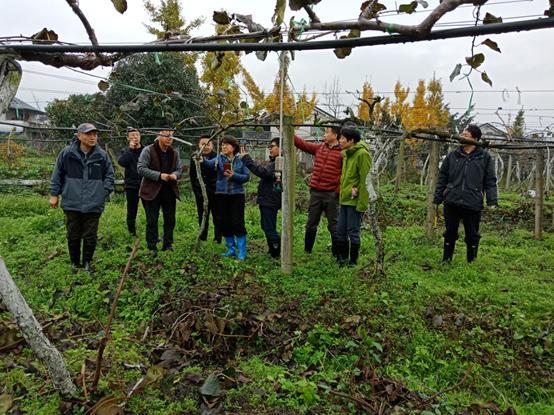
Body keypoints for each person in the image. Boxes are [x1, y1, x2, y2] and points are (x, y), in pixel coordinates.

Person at [50, 123, 115, 272]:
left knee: (90, 235)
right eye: (88, 134)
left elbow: (109, 176)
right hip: (72, 201)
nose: (93, 137)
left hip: (94, 202)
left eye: (94, 134)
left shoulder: (102, 155)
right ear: (79, 136)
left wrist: (102, 192)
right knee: (73, 234)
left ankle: (87, 263)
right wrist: (54, 194)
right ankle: (74, 263)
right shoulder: (67, 153)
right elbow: (57, 174)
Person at [433, 124, 498, 263]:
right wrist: (438, 196)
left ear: (475, 139)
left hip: (473, 202)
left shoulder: (484, 157)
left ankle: (471, 261)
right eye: (462, 134)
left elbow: (490, 180)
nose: (462, 137)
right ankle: (446, 259)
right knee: (450, 232)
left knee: (472, 234)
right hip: (452, 200)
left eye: (466, 135)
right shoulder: (453, 155)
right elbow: (442, 177)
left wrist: (492, 201)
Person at [294, 126, 342, 255]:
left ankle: (336, 254)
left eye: (327, 132)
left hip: (332, 194)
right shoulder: (320, 148)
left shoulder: (343, 152)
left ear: (335, 135)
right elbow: (303, 145)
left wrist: (338, 190)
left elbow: (346, 173)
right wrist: (288, 133)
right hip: (316, 192)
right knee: (311, 223)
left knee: (333, 225)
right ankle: (307, 251)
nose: (324, 135)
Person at [202, 136, 249, 260]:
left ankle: (242, 251)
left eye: (226, 144)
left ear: (233, 147)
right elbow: (207, 164)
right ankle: (231, 249)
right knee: (224, 221)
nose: (223, 146)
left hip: (237, 195)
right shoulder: (219, 158)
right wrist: (200, 158)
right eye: (222, 144)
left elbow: (246, 177)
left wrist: (234, 175)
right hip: (221, 194)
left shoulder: (241, 159)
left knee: (237, 222)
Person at [138, 128, 182, 255]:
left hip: (169, 190)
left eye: (172, 136)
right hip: (151, 191)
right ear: (158, 136)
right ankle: (152, 247)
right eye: (166, 136)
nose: (169, 139)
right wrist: (159, 175)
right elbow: (141, 168)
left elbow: (179, 169)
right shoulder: (148, 150)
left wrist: (175, 175)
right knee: (152, 220)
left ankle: (167, 245)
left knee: (170, 220)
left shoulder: (174, 152)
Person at [241, 138, 282, 259]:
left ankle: (275, 254)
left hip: (270, 200)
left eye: (272, 146)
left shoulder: (279, 163)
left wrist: (247, 160)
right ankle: (273, 250)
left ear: (281, 148)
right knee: (266, 226)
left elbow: (263, 172)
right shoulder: (274, 162)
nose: (269, 148)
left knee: (269, 227)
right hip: (268, 199)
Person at [336, 125, 371, 266]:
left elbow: (365, 180)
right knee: (340, 230)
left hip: (354, 200)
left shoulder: (362, 154)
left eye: (343, 138)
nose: (340, 141)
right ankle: (342, 258)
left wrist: (362, 204)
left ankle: (353, 261)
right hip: (345, 198)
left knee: (353, 231)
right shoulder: (346, 154)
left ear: (351, 141)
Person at [190, 135, 221, 243]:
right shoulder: (195, 157)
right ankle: (203, 237)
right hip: (200, 192)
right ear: (199, 145)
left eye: (208, 144)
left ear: (212, 145)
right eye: (203, 144)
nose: (206, 146)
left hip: (215, 191)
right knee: (202, 215)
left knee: (217, 216)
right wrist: (196, 191)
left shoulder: (218, 157)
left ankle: (218, 238)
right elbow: (192, 175)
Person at [117, 127, 143, 236]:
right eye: (132, 136)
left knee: (150, 208)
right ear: (128, 138)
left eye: (137, 135)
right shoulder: (125, 151)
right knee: (131, 209)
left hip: (145, 184)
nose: (135, 137)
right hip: (131, 185)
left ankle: (152, 232)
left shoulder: (146, 150)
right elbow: (122, 162)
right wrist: (131, 150)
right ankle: (132, 232)